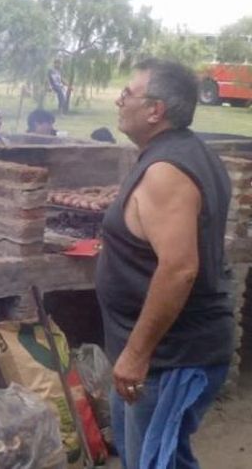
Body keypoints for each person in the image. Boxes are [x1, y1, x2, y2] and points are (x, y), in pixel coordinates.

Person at [95, 58, 234, 469]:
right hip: (161, 356)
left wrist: (137, 354)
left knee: (157, 461)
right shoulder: (179, 153)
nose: (119, 100)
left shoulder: (167, 171)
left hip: (170, 358)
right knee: (151, 458)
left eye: (128, 93)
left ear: (155, 110)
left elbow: (179, 269)